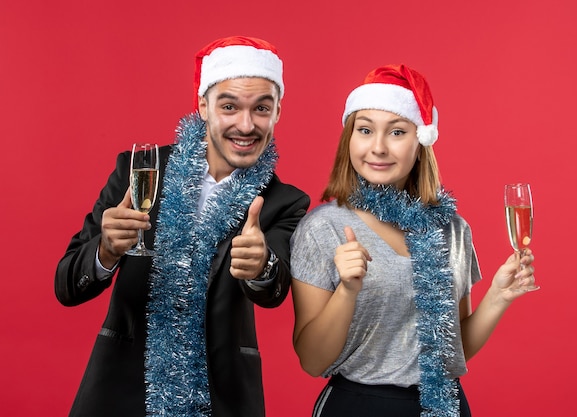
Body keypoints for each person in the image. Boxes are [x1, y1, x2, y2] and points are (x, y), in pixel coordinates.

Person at [55, 36, 310, 417]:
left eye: (261, 108)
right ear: (203, 106)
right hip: (120, 391)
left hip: (222, 396)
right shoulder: (140, 169)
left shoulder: (284, 201)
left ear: (278, 113)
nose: (246, 124)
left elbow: (273, 289)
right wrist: (105, 251)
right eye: (229, 106)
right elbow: (66, 286)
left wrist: (261, 267)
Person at [289, 64, 538, 417]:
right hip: (360, 406)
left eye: (396, 132)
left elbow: (452, 350)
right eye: (364, 130)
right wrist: (347, 290)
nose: (377, 147)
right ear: (350, 140)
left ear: (420, 143)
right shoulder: (323, 228)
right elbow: (312, 361)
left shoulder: (451, 229)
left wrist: (498, 296)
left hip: (444, 405)